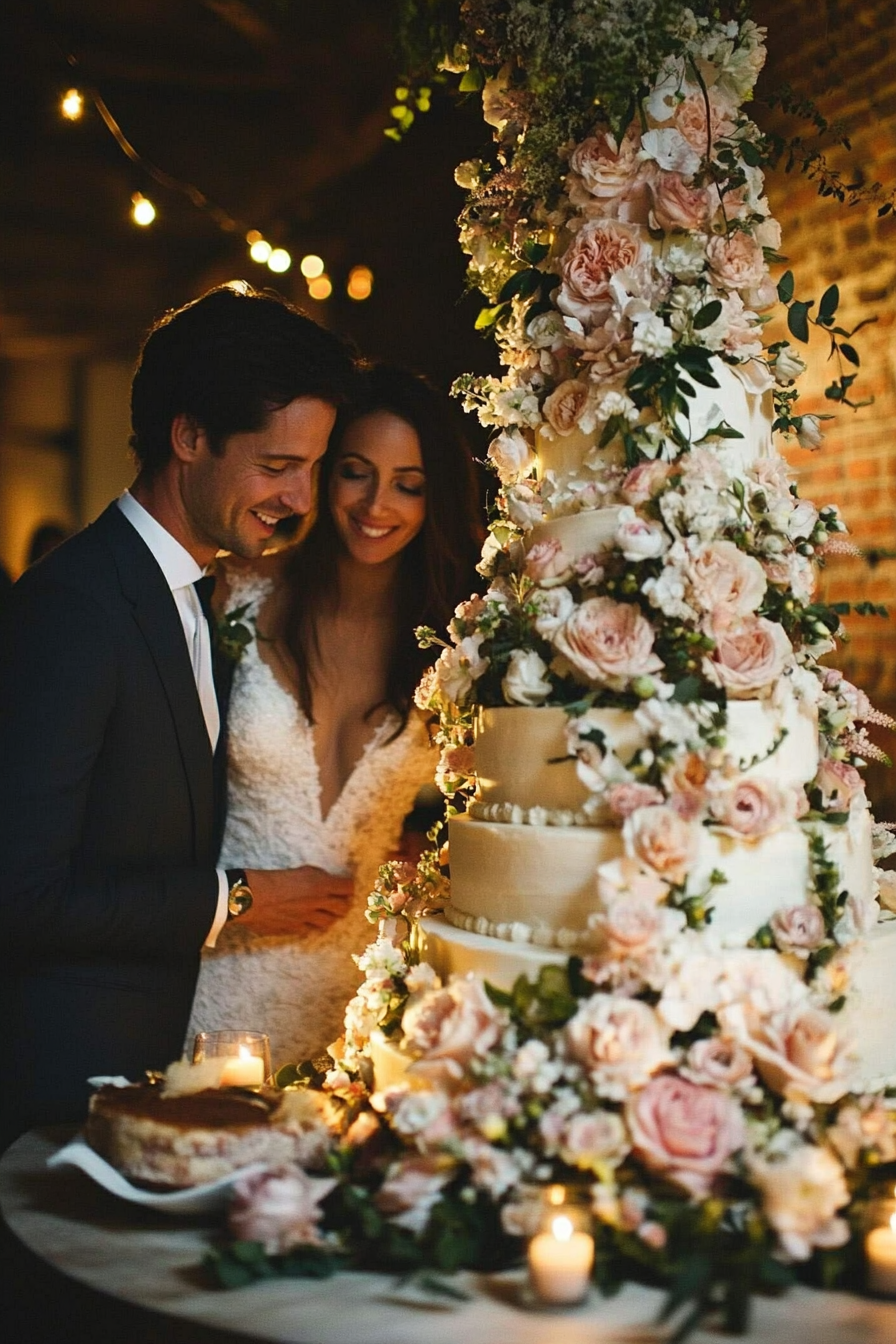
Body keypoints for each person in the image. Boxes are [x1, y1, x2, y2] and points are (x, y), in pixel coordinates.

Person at [0, 281, 357, 1145]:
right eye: (276, 467)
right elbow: (19, 893)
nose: (301, 499)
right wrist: (237, 899)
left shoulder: (199, 595)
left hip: (147, 1067)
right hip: (55, 1089)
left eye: (312, 467)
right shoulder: (73, 608)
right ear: (188, 436)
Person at [186, 364, 483, 1066]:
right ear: (322, 473)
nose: (377, 504)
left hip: (354, 999)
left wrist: (419, 837)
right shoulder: (234, 593)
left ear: (433, 495)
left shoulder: (455, 643)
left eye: (408, 485)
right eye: (356, 472)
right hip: (211, 973)